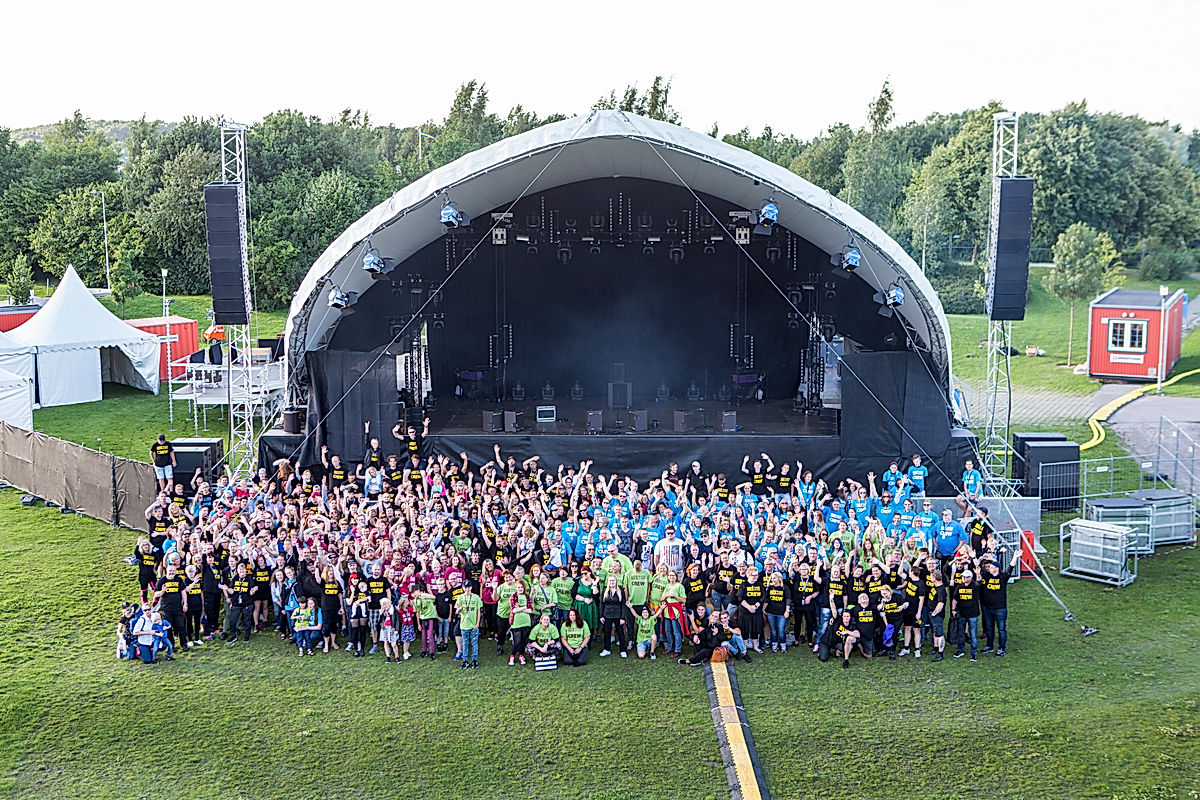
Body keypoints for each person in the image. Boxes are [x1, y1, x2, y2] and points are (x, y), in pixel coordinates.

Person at [951, 569, 981, 662]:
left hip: (972, 614)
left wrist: (978, 573)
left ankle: (973, 653)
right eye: (963, 576)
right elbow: (955, 598)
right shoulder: (959, 586)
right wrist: (953, 609)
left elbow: (979, 582)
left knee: (973, 634)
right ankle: (960, 650)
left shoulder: (974, 586)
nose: (963, 578)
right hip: (962, 614)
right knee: (961, 633)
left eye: (966, 577)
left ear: (970, 578)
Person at [598, 575, 628, 658]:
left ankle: (623, 650)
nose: (612, 582)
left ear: (616, 581)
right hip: (607, 615)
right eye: (610, 581)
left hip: (618, 615)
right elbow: (601, 604)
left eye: (613, 580)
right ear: (608, 582)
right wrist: (601, 616)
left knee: (620, 633)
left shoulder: (620, 591)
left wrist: (622, 617)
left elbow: (623, 605)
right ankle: (606, 649)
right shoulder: (605, 591)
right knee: (607, 633)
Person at [456, 582, 483, 669]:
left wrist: (477, 623)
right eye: (465, 587)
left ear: (471, 587)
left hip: (473, 625)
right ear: (463, 588)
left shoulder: (476, 597)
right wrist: (459, 609)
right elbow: (457, 611)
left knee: (474, 643)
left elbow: (478, 611)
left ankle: (474, 660)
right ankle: (465, 660)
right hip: (464, 625)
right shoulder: (460, 597)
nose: (467, 589)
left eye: (469, 587)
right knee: (465, 643)